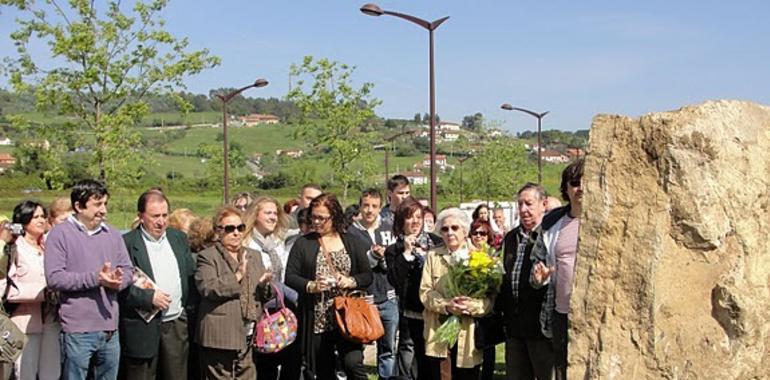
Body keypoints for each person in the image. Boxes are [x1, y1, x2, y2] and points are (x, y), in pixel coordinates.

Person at [44, 179, 133, 379]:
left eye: (105, 204)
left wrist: (119, 280)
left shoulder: (113, 234)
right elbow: (54, 278)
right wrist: (96, 278)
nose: (104, 210)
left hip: (110, 330)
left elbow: (128, 269)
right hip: (78, 332)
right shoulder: (60, 234)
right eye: (98, 204)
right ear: (78, 206)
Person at [284, 193, 372, 380]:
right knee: (323, 368)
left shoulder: (351, 241)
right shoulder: (303, 243)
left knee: (353, 363)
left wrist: (351, 281)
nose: (316, 222)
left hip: (347, 315)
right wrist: (311, 285)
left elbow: (367, 276)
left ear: (334, 217)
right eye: (313, 217)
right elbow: (290, 277)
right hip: (317, 318)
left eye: (322, 218)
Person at [118, 190, 196, 380]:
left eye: (164, 215)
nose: (161, 221)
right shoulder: (126, 243)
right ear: (140, 216)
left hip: (175, 324)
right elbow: (118, 287)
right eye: (155, 216)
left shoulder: (178, 238)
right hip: (142, 327)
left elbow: (189, 276)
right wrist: (148, 297)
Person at [195, 206, 274, 379]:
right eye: (230, 229)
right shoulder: (207, 256)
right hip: (220, 335)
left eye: (240, 227)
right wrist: (237, 275)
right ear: (218, 231)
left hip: (249, 333)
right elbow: (208, 288)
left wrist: (265, 285)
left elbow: (265, 295)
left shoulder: (253, 255)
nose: (236, 233)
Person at [420, 208, 493, 380]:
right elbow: (425, 292)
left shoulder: (480, 256)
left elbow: (490, 298)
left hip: (468, 335)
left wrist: (470, 306)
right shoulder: (433, 256)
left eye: (454, 228)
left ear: (465, 230)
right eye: (444, 229)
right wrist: (446, 305)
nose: (449, 232)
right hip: (439, 332)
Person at [531, 159, 584, 380]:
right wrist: (540, 278)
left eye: (585, 181)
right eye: (574, 182)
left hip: (595, 313)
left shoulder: (611, 221)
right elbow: (536, 271)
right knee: (564, 370)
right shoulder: (552, 225)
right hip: (562, 314)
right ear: (566, 188)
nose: (581, 187)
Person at [497, 183, 552, 380]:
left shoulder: (550, 235)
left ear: (543, 204)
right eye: (520, 204)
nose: (523, 210)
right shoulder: (511, 237)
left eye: (528, 204)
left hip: (540, 327)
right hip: (514, 326)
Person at [242, 195, 300, 380]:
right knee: (265, 365)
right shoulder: (246, 243)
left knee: (289, 359)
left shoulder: (277, 242)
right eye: (268, 213)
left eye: (275, 213)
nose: (273, 217)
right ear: (255, 215)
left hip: (280, 308)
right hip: (259, 309)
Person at [386, 199, 441, 380]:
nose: (416, 221)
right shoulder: (395, 251)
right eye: (410, 217)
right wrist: (407, 254)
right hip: (412, 314)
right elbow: (395, 279)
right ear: (401, 222)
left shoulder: (437, 243)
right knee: (414, 359)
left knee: (436, 360)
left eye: (419, 217)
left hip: (438, 310)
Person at [6, 200, 61, 380]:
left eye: (43, 216)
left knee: (52, 373)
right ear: (23, 220)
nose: (40, 220)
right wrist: (41, 292)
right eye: (34, 216)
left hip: (52, 320)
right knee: (25, 373)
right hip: (25, 321)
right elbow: (6, 288)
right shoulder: (14, 248)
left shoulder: (50, 245)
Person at [347, 188, 398, 379]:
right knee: (357, 349)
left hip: (388, 297)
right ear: (360, 206)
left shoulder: (388, 229)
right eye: (366, 205)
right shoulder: (350, 233)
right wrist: (372, 257)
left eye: (374, 206)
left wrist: (384, 258)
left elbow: (394, 264)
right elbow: (353, 267)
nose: (369, 210)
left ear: (380, 208)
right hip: (363, 299)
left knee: (388, 349)